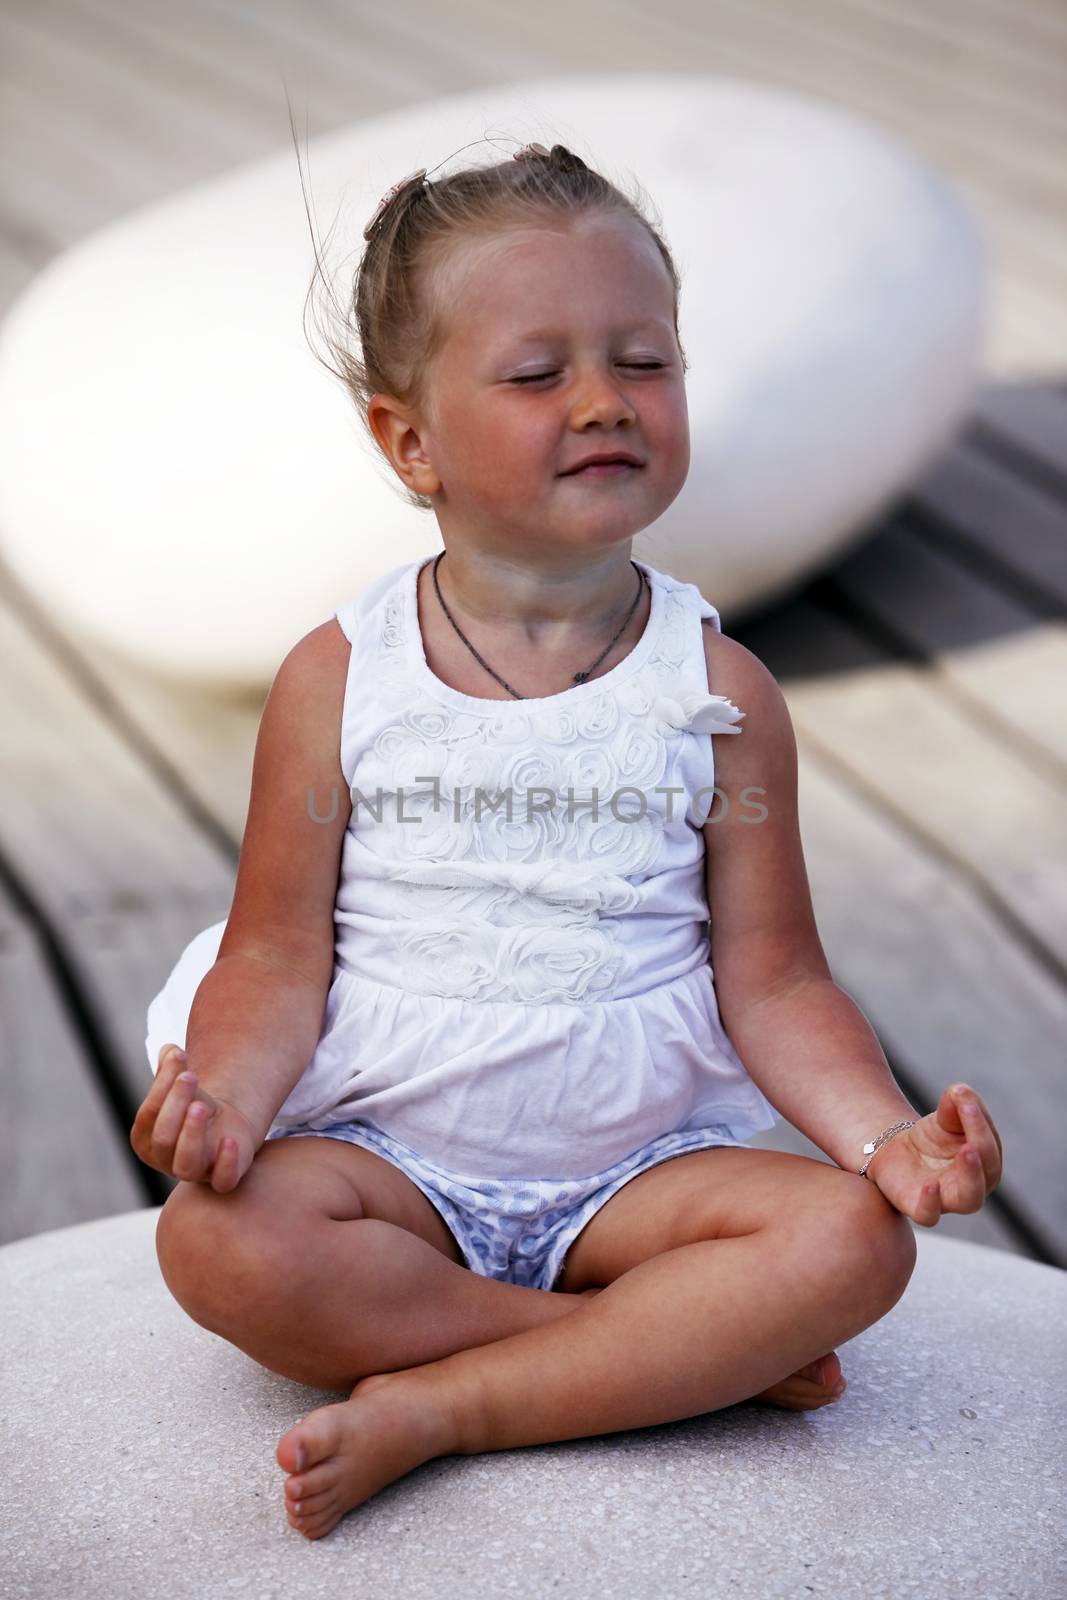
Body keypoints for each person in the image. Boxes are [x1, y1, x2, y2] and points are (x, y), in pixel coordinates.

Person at [130, 140, 1004, 1542]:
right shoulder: (340, 679)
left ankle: (452, 1399)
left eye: (644, 361)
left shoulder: (718, 698)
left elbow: (774, 982)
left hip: (636, 1176)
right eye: (539, 376)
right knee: (216, 1244)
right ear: (408, 441)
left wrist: (884, 1137)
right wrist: (225, 1095)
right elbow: (277, 952)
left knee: (851, 1241)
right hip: (392, 1162)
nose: (604, 400)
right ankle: (639, 1352)